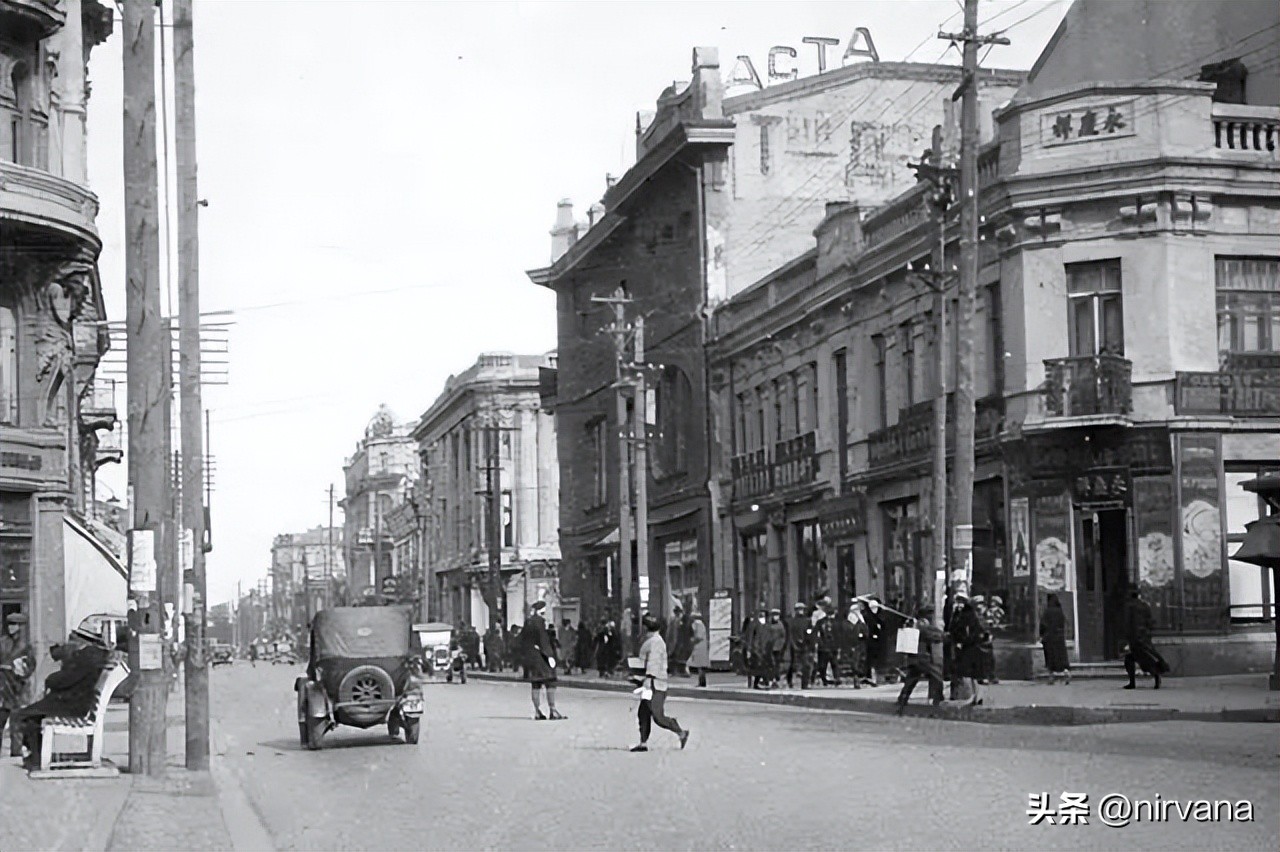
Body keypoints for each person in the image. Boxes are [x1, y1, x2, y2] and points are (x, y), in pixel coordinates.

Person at [11, 626, 111, 769]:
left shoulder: (85, 657)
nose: (70, 641)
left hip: (72, 705)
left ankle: (37, 757)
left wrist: (49, 680)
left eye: (73, 638)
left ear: (80, 640)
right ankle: (36, 754)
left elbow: (65, 679)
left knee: (23, 715)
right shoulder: (91, 656)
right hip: (77, 702)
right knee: (30, 714)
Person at [630, 613, 689, 753]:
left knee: (658, 716)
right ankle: (643, 743)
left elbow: (653, 663)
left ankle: (681, 732)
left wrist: (648, 679)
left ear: (646, 627)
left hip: (655, 684)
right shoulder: (652, 640)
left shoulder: (655, 642)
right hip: (651, 683)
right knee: (643, 713)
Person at [894, 603, 947, 715]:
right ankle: (938, 701)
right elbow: (934, 635)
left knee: (911, 680)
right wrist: (945, 635)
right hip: (924, 659)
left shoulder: (915, 624)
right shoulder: (923, 625)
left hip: (914, 658)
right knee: (937, 677)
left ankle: (902, 700)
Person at [519, 601, 566, 720]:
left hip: (531, 658)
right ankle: (553, 710)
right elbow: (543, 641)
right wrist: (550, 657)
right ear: (542, 611)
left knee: (535, 685)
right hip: (542, 658)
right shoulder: (540, 622)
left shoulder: (527, 622)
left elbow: (522, 641)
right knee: (550, 682)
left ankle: (537, 711)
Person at [1, 612, 35, 754]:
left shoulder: (26, 646)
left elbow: (31, 666)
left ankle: (16, 751)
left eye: (15, 624)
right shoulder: (2, 642)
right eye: (10, 624)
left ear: (22, 627)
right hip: (3, 686)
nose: (11, 628)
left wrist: (21, 669)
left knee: (17, 723)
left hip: (19, 687)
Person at [1123, 589, 1168, 689]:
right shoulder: (1144, 606)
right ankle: (1156, 677)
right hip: (1144, 637)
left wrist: (1126, 637)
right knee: (1146, 658)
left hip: (1135, 638)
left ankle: (1133, 682)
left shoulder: (1129, 606)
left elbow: (1128, 623)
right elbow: (1150, 621)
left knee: (1132, 659)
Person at [948, 592, 986, 706]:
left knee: (971, 672)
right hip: (962, 647)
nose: (958, 605)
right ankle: (972, 696)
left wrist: (963, 642)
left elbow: (973, 632)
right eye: (957, 602)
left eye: (961, 602)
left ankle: (976, 696)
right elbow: (953, 628)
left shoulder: (969, 615)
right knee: (966, 672)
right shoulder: (957, 614)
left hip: (970, 647)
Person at [1039, 594, 1070, 684]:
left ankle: (1051, 677)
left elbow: (1043, 625)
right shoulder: (1060, 611)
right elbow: (1063, 623)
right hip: (1059, 638)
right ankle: (1066, 673)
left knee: (1050, 658)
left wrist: (1042, 634)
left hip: (1049, 638)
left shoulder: (1047, 612)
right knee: (1061, 657)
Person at [785, 602, 814, 690]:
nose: (800, 611)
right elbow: (789, 633)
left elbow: (810, 632)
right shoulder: (791, 621)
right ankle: (790, 682)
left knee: (806, 665)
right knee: (792, 665)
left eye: (802, 609)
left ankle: (804, 684)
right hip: (793, 645)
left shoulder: (807, 621)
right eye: (799, 609)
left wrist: (808, 641)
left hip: (804, 645)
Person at [688, 611, 709, 688]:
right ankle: (701, 681)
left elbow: (699, 636)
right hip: (700, 646)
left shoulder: (698, 624)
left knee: (700, 665)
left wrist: (692, 640)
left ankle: (702, 682)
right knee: (700, 665)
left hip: (699, 646)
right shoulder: (698, 624)